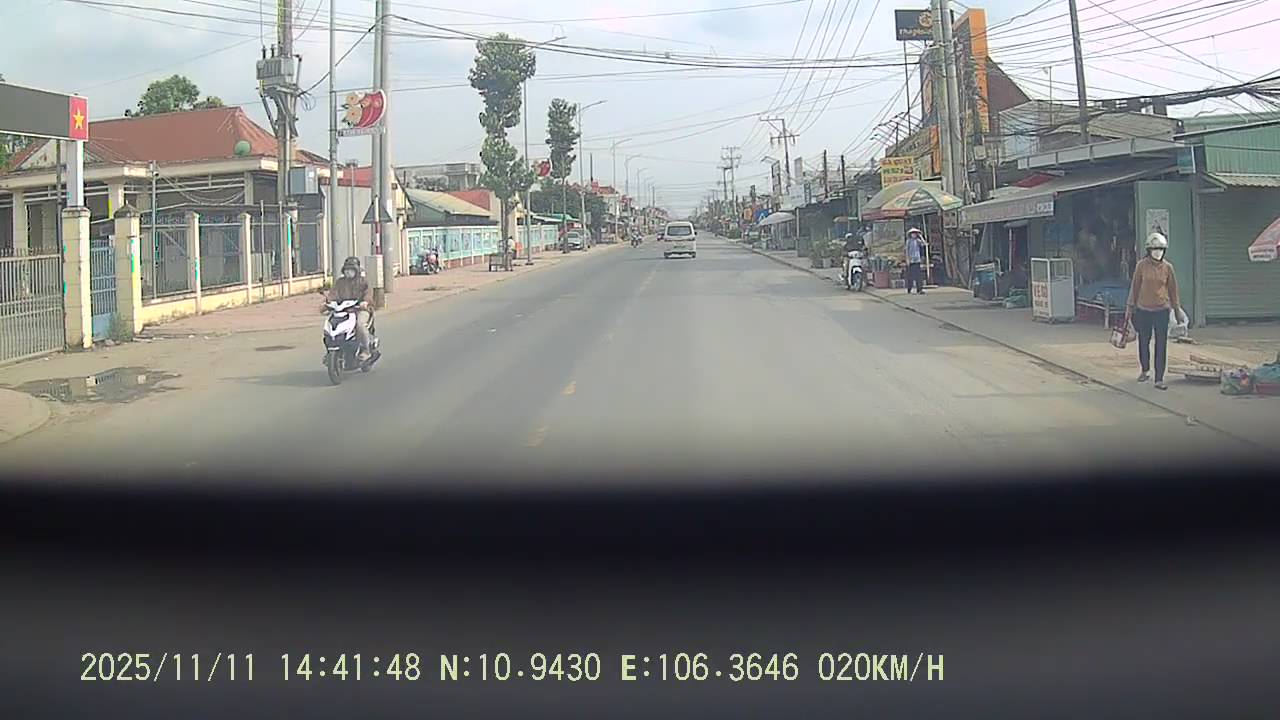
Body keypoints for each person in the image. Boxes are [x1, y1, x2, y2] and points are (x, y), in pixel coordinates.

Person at [1126, 232, 1187, 391]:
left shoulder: (1168, 268)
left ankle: (1159, 378)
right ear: (1149, 250)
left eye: (1160, 249)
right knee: (1143, 341)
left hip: (1162, 310)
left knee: (1161, 343)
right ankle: (1145, 370)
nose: (1157, 252)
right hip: (1143, 309)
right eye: (1154, 249)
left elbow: (1173, 290)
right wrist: (1129, 308)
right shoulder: (1141, 266)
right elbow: (1135, 287)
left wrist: (1177, 311)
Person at [326, 256, 373, 359]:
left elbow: (368, 293)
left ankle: (366, 350)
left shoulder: (363, 282)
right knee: (331, 326)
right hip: (343, 311)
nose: (348, 272)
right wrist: (328, 302)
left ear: (356, 270)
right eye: (347, 269)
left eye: (351, 269)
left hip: (360, 310)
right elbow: (333, 294)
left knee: (359, 325)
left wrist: (365, 302)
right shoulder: (340, 282)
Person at [905, 227, 926, 295]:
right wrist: (907, 259)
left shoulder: (918, 241)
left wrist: (921, 236)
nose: (914, 235)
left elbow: (924, 244)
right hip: (911, 260)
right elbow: (907, 251)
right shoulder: (908, 241)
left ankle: (919, 289)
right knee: (910, 276)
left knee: (918, 276)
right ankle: (909, 289)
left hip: (917, 260)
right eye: (913, 233)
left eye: (915, 233)